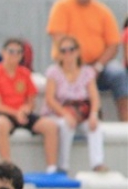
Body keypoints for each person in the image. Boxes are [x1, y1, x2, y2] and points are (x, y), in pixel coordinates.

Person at [0, 38, 59, 173]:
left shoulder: (24, 73)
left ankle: (52, 168)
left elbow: (31, 101)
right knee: (1, 125)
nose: (14, 55)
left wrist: (25, 110)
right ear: (3, 53)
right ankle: (7, 163)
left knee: (50, 126)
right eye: (11, 51)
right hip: (1, 112)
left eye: (18, 52)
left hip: (21, 113)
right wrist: (16, 113)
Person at [47, 0, 127, 122]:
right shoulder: (62, 7)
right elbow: (60, 40)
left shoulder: (102, 11)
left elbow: (113, 44)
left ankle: (125, 125)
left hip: (99, 66)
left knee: (119, 74)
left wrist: (98, 67)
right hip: (71, 65)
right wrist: (79, 68)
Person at [43, 35, 106, 173]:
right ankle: (63, 165)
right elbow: (50, 99)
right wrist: (65, 114)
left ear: (77, 51)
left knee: (95, 127)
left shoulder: (87, 72)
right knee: (66, 125)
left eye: (71, 49)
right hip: (59, 112)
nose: (68, 54)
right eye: (63, 50)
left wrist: (94, 115)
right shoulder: (53, 72)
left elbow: (94, 97)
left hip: (81, 112)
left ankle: (97, 163)